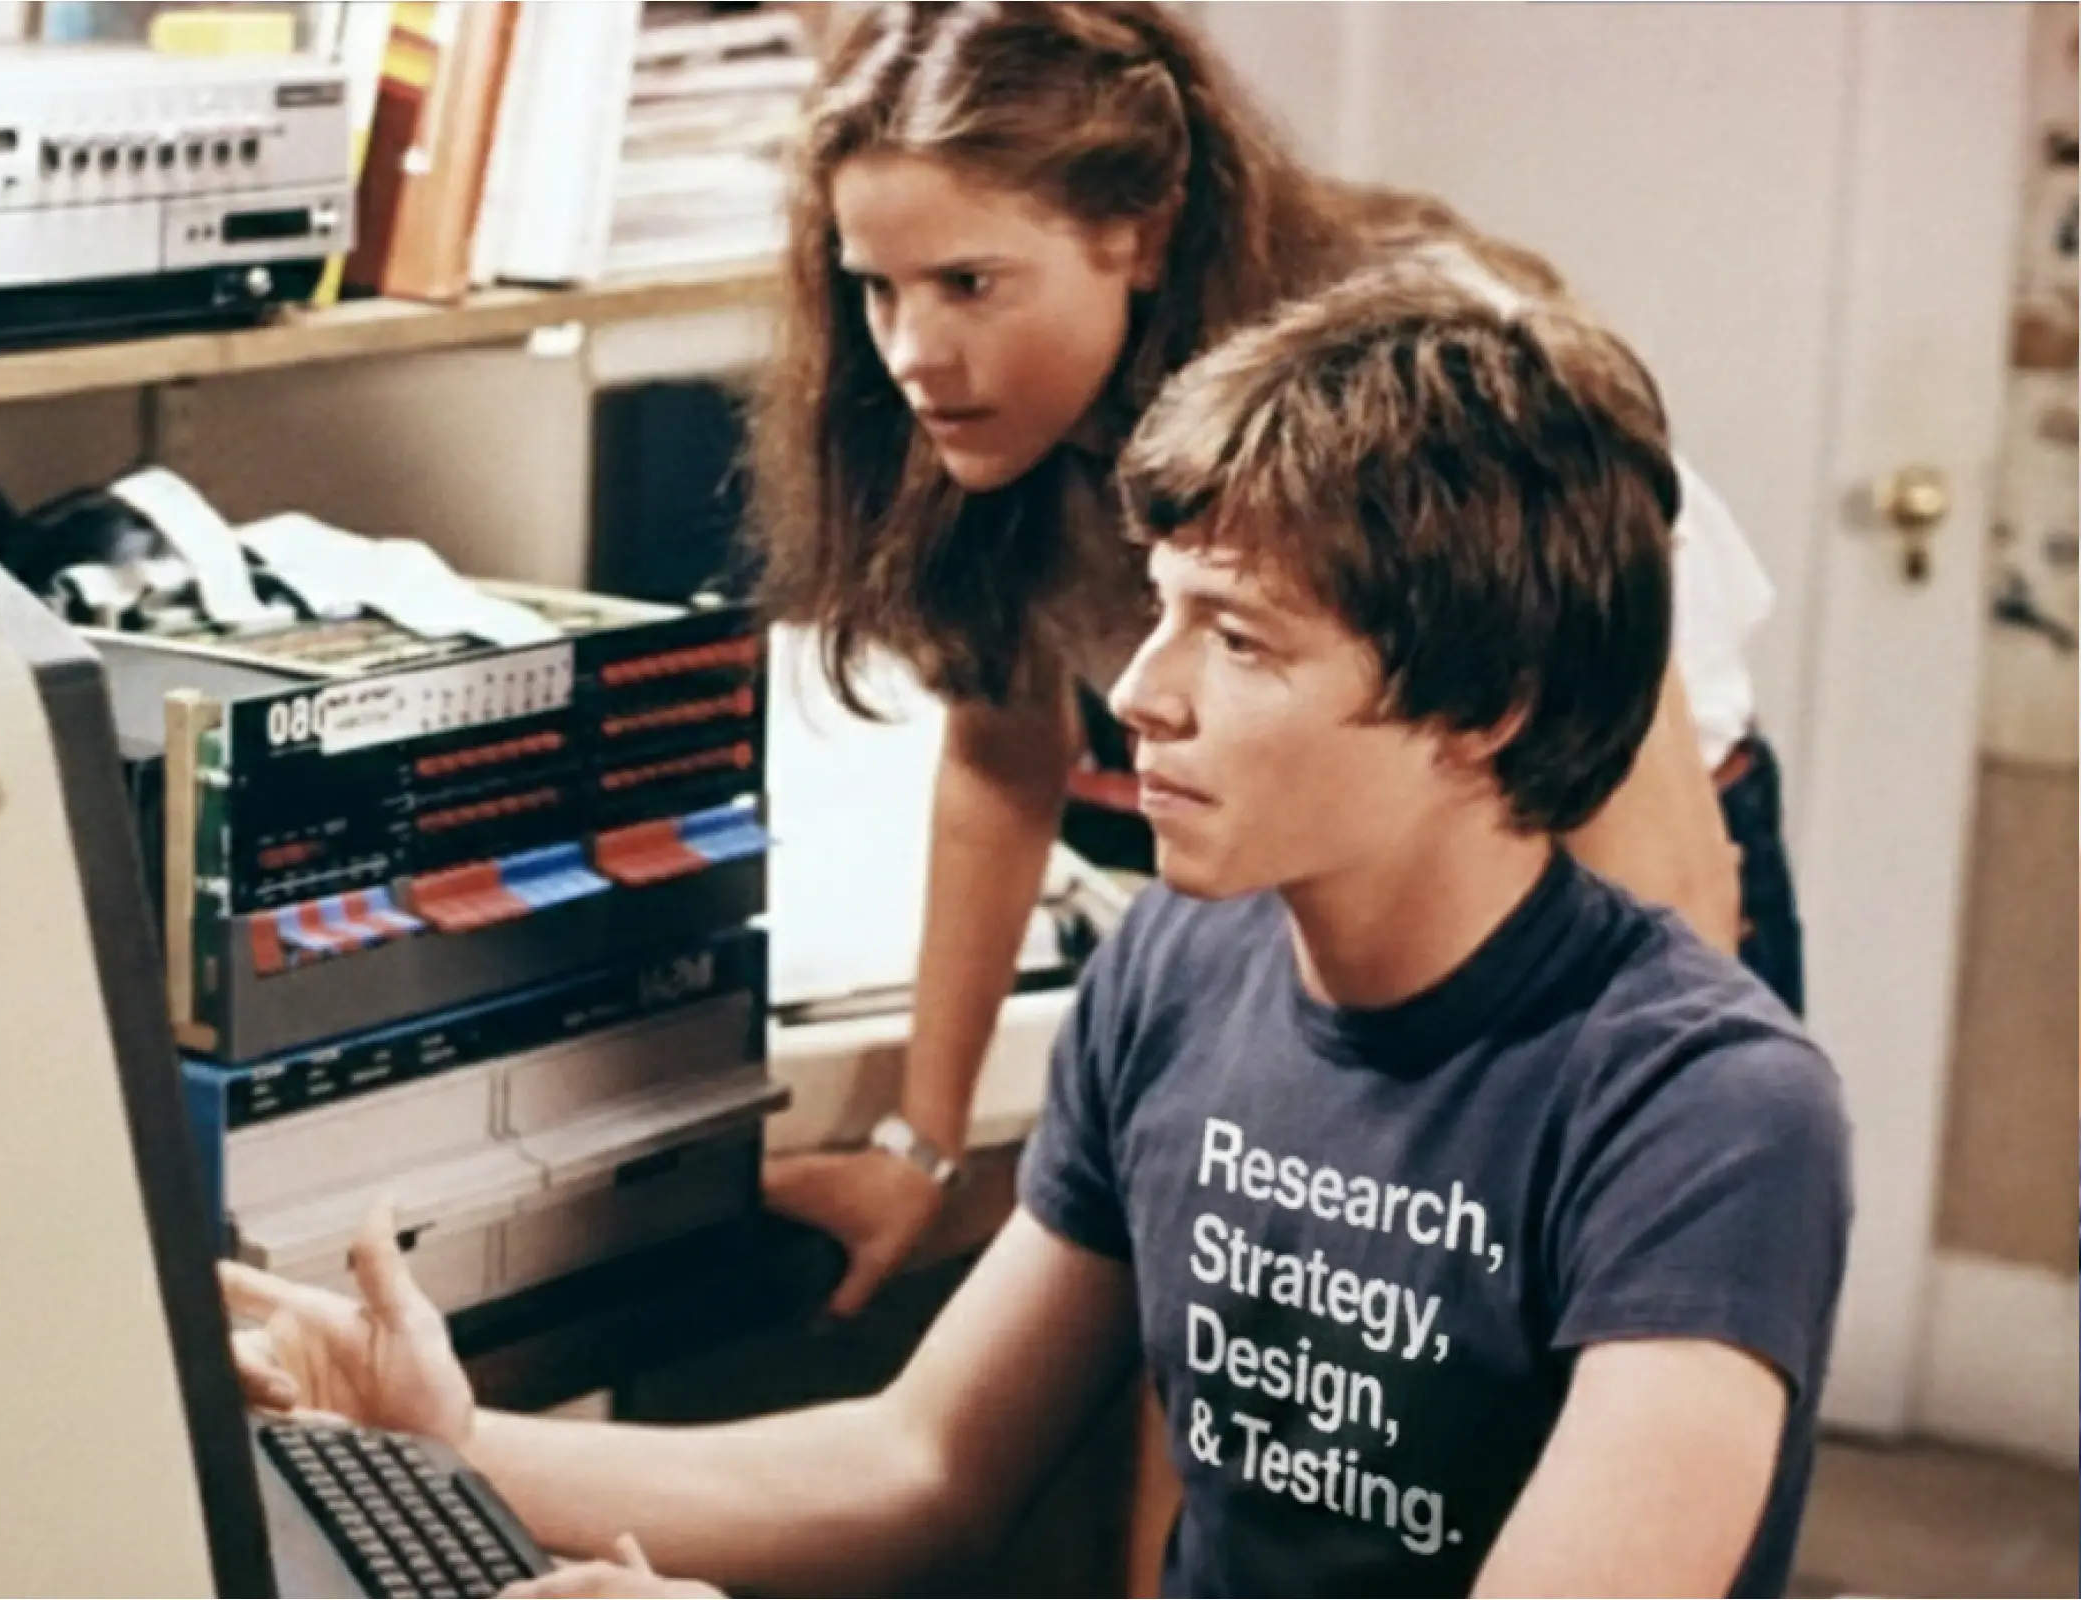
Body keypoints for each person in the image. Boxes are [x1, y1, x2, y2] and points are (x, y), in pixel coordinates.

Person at [222, 261, 1852, 1598]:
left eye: (1241, 641)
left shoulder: (1707, 1112)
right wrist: (447, 1442)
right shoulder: (1179, 970)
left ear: (1487, 706)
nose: (1139, 690)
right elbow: (918, 1468)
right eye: (1160, 608)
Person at [750, 0, 1802, 1327]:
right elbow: (1003, 760)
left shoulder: (1441, 384)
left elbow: (1664, 881)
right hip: (1336, 875)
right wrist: (924, 1146)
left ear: (1139, 235)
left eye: (968, 284)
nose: (909, 353)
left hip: (1596, 869)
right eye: (877, 287)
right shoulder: (989, 419)